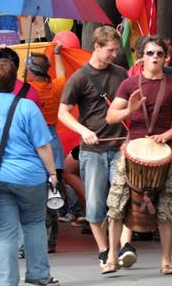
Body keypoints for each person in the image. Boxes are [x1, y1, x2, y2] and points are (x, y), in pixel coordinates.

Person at [0, 58, 59, 286]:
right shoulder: (27, 107)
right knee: (34, 223)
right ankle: (39, 275)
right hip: (29, 176)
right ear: (15, 81)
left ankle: (8, 282)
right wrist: (52, 173)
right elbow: (42, 145)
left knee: (4, 232)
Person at [103, 37, 172, 275]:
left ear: (165, 57)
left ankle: (167, 261)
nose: (155, 57)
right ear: (141, 57)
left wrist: (168, 134)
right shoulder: (129, 85)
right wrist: (130, 110)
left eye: (160, 53)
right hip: (132, 153)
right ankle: (111, 257)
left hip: (163, 153)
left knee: (168, 208)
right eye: (150, 53)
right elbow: (110, 117)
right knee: (116, 205)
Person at [58, 26, 132, 269]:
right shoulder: (79, 78)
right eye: (110, 50)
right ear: (97, 47)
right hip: (93, 150)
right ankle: (103, 249)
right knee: (95, 204)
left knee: (123, 199)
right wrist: (83, 130)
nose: (114, 55)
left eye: (116, 51)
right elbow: (63, 113)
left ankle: (124, 246)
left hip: (120, 145)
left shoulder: (121, 73)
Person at [25, 45, 67, 253]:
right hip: (54, 143)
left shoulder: (29, 91)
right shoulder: (56, 87)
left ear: (31, 71)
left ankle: (35, 241)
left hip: (35, 145)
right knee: (53, 195)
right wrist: (58, 54)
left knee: (34, 197)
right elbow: (62, 75)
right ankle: (51, 241)